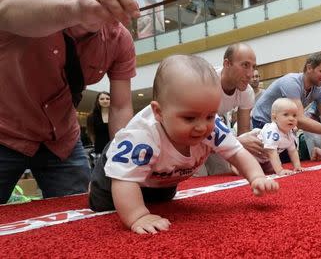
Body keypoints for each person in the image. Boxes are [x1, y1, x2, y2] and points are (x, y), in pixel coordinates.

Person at [0, 0, 151, 204]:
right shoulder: (21, 1)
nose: (97, 1)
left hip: (62, 142)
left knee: (84, 216)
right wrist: (77, 9)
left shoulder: (119, 39)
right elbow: (7, 10)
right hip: (4, 133)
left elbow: (121, 106)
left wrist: (124, 163)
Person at [88, 55, 279, 234]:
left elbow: (237, 153)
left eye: (210, 116)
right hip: (118, 171)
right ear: (159, 113)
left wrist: (256, 177)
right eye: (189, 118)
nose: (202, 127)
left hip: (162, 177)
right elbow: (124, 179)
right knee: (104, 203)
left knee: (162, 200)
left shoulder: (213, 127)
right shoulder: (141, 136)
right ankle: (94, 188)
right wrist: (138, 216)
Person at [252, 52, 321, 163]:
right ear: (309, 68)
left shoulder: (319, 90)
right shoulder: (291, 82)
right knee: (270, 164)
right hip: (263, 121)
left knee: (287, 162)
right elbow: (299, 120)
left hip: (283, 124)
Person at [202, 44, 264, 175]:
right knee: (194, 179)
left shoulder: (247, 92)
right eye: (245, 65)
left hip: (214, 133)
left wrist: (242, 162)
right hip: (187, 138)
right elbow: (196, 129)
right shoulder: (206, 82)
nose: (250, 74)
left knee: (223, 173)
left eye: (253, 67)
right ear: (227, 64)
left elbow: (244, 133)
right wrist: (238, 142)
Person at [253, 98, 303, 176]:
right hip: (251, 155)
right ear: (275, 118)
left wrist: (297, 166)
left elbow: (293, 151)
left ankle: (261, 166)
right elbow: (271, 151)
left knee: (271, 167)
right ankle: (236, 165)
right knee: (251, 169)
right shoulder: (272, 130)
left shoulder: (289, 133)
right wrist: (280, 171)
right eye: (286, 114)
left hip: (264, 159)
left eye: (294, 115)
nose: (291, 118)